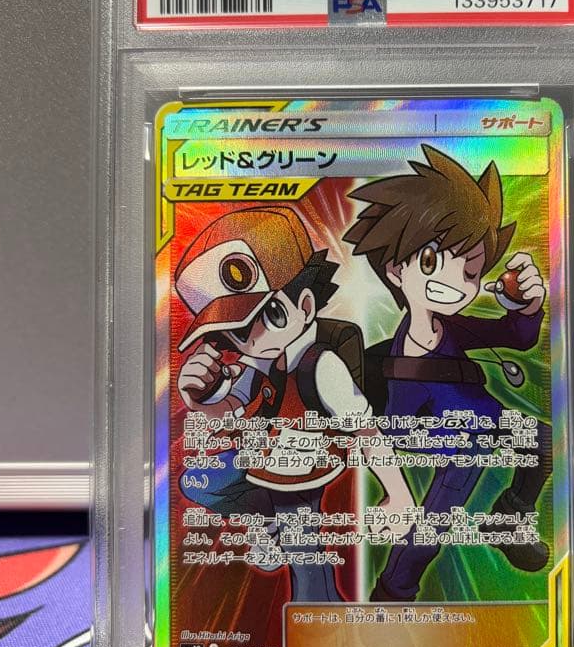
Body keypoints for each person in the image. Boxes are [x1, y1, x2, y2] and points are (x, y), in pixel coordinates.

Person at [174, 206, 413, 603]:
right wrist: (196, 399)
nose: (254, 338)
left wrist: (399, 494)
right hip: (263, 454)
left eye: (270, 314)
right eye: (237, 332)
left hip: (302, 466)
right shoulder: (258, 362)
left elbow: (366, 430)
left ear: (304, 306)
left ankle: (322, 625)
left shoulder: (322, 365)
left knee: (305, 561)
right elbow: (231, 407)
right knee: (200, 480)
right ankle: (265, 523)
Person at [344, 145, 552, 602]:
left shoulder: (453, 327)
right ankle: (392, 593)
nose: (457, 283)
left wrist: (527, 306)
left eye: (471, 270)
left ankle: (510, 518)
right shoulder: (399, 355)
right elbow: (395, 421)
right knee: (432, 527)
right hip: (457, 441)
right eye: (432, 262)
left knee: (542, 442)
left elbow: (515, 337)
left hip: (484, 424)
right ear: (396, 271)